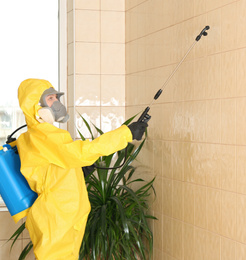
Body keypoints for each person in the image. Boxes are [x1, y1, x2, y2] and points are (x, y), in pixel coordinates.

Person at [15, 78, 147, 259]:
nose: (57, 104)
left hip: (65, 215)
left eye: (56, 98)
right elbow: (79, 153)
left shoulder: (39, 136)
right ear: (34, 105)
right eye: (50, 99)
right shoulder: (43, 136)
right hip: (57, 218)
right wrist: (126, 133)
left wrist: (79, 171)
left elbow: (55, 167)